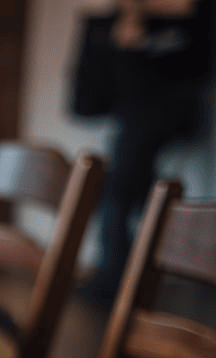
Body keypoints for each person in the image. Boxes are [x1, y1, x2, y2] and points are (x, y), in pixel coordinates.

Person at [84, 0, 213, 302]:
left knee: (119, 192)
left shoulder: (187, 19)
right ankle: (134, 273)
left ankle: (118, 277)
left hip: (159, 113)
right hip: (135, 112)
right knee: (132, 192)